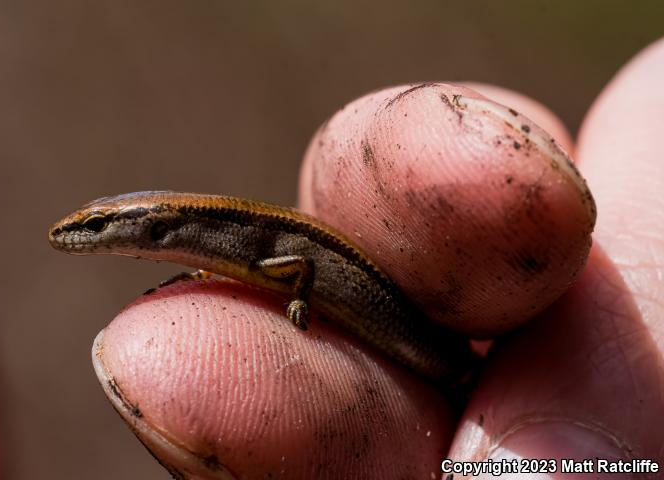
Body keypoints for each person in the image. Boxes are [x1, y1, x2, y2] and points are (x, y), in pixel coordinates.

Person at [93, 38, 664, 478]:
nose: (88, 239)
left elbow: (302, 267)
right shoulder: (214, 248)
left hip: (437, 347)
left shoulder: (236, 237)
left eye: (95, 228)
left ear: (152, 223)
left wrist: (295, 302)